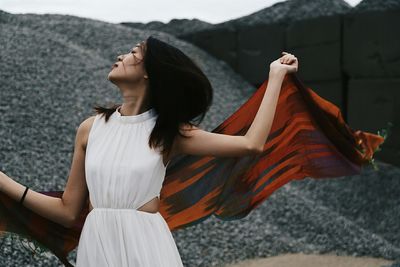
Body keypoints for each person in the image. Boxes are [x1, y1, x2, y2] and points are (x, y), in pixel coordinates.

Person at [0, 35, 385, 266]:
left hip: (145, 244)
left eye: (133, 52)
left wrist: (274, 78)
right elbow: (69, 211)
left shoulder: (168, 132)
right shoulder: (91, 128)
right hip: (97, 243)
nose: (120, 56)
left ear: (150, 72)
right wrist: (5, 183)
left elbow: (252, 144)